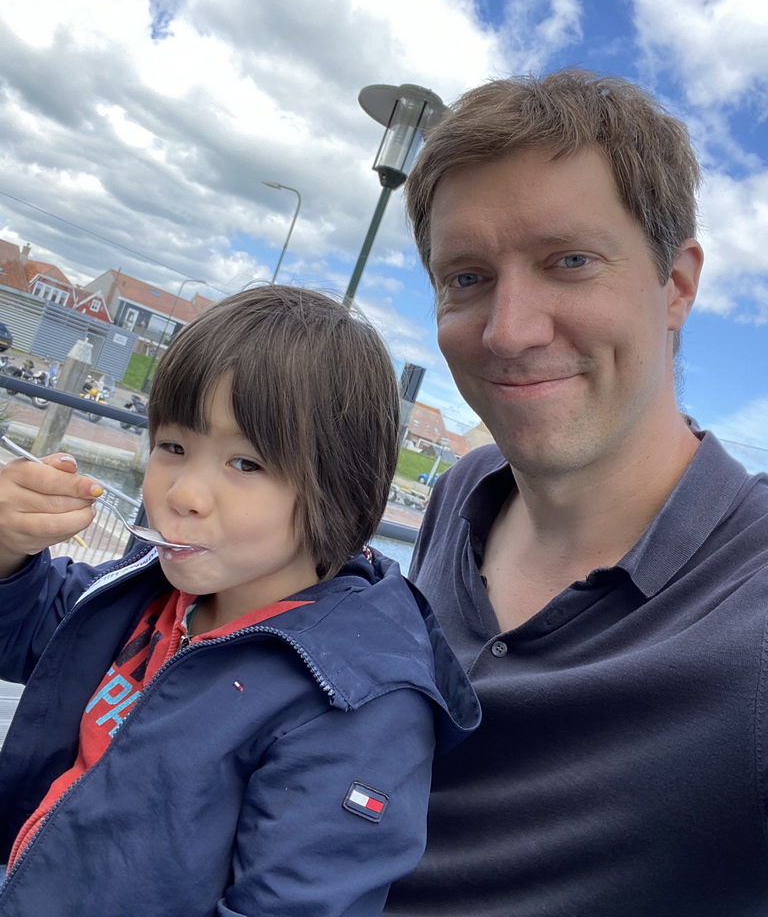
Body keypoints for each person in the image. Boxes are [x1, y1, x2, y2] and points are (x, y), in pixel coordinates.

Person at [384, 68, 768, 916]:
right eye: (468, 278)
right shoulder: (464, 489)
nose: (509, 330)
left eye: (570, 262)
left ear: (676, 284)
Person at [0, 285, 479, 917]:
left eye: (246, 463)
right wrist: (10, 550)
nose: (185, 493)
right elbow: (30, 632)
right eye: (172, 447)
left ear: (338, 489)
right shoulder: (151, 590)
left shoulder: (356, 705)